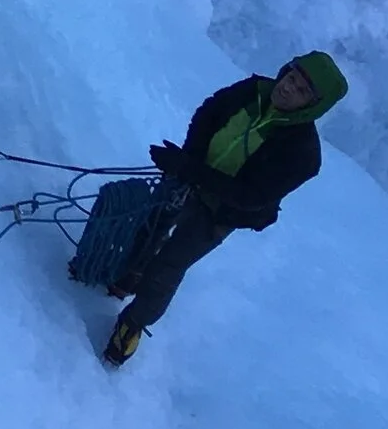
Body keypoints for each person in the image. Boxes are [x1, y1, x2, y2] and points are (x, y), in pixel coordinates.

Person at [103, 52, 348, 367]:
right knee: (151, 225)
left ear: (313, 106)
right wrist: (188, 160)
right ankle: (128, 275)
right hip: (192, 176)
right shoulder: (254, 90)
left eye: (301, 91)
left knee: (169, 265)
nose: (288, 88)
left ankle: (133, 323)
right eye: (291, 78)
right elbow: (209, 112)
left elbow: (249, 196)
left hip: (222, 212)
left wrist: (189, 170)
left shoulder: (303, 155)